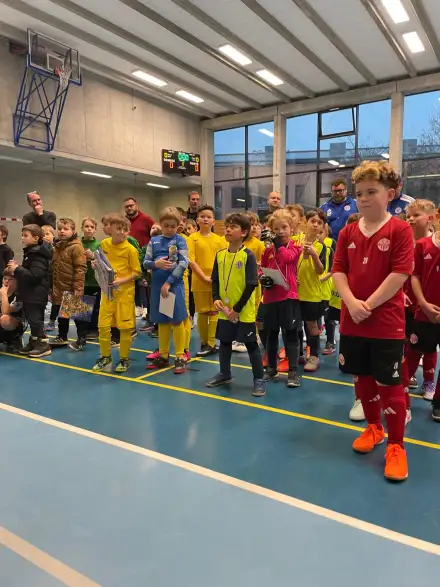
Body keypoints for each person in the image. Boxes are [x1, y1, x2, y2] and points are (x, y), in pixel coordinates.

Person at [332, 160, 413, 482]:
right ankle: (374, 428)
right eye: (359, 193)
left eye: (371, 192)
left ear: (390, 194)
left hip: (386, 322)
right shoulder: (348, 232)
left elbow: (400, 273)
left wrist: (368, 304)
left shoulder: (400, 230)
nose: (363, 199)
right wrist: (352, 303)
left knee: (390, 384)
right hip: (353, 319)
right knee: (362, 378)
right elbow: (338, 271)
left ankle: (396, 445)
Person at [207, 213, 265, 396]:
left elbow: (251, 284)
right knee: (224, 342)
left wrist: (237, 309)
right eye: (227, 226)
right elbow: (215, 280)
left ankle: (259, 379)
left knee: (251, 345)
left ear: (244, 232)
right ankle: (225, 373)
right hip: (225, 310)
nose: (228, 229)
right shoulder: (220, 255)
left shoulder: (248, 256)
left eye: (233, 227)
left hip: (242, 311)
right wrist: (215, 297)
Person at [402, 201, 440, 422]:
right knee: (411, 349)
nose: (411, 219)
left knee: (429, 351)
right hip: (417, 310)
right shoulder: (418, 245)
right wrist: (423, 304)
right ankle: (402, 399)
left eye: (416, 215)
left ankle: (432, 389)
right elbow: (411, 276)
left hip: (427, 309)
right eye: (409, 215)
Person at [93, 214, 141, 373]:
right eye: (119, 229)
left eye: (125, 230)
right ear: (111, 229)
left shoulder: (131, 250)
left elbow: (136, 272)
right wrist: (95, 265)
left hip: (124, 295)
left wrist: (121, 281)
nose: (122, 232)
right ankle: (105, 357)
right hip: (107, 294)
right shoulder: (104, 244)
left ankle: (124, 359)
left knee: (125, 328)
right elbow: (101, 262)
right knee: (103, 326)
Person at [144, 207, 189, 374]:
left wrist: (169, 283)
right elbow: (146, 262)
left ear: (178, 226)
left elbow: (183, 263)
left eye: (173, 226)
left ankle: (180, 356)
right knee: (162, 321)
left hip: (173, 286)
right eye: (166, 226)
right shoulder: (154, 241)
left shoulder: (180, 240)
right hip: (157, 286)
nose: (169, 229)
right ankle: (163, 355)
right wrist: (156, 264)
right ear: (160, 224)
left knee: (176, 321)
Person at [260, 209, 302, 387]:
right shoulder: (267, 251)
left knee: (290, 334)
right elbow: (262, 268)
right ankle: (271, 368)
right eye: (276, 229)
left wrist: (278, 244)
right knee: (271, 334)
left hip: (288, 296)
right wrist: (263, 277)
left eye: (284, 227)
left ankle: (293, 370)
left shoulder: (295, 246)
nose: (281, 232)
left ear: (291, 228)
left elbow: (286, 258)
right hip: (270, 298)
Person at [8, 224, 52, 358]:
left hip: (37, 293)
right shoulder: (31, 252)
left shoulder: (37, 254)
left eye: (25, 235)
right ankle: (34, 341)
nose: (22, 238)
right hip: (31, 293)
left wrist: (17, 269)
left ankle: (43, 344)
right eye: (22, 235)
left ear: (36, 238)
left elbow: (35, 276)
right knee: (32, 319)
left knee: (36, 319)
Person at [188, 205, 225, 356]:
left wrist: (216, 278)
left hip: (216, 281)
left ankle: (211, 343)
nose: (205, 219)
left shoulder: (220, 240)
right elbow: (191, 260)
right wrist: (203, 277)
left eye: (209, 217)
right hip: (199, 281)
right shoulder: (192, 238)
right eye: (202, 216)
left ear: (213, 221)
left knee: (215, 310)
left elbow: (223, 259)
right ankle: (204, 342)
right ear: (197, 220)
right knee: (202, 312)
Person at [295, 209, 327, 372]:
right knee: (295, 324)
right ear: (305, 222)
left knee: (312, 324)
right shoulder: (294, 241)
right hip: (293, 292)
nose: (315, 225)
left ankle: (314, 355)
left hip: (311, 293)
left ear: (322, 227)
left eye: (319, 223)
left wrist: (314, 255)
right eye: (312, 221)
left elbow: (320, 271)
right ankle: (298, 353)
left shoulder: (321, 247)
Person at [49, 219, 87, 348]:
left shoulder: (76, 247)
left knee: (77, 314)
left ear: (73, 231)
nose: (62, 231)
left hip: (72, 286)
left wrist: (78, 288)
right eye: (60, 229)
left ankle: (81, 338)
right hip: (59, 286)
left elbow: (80, 269)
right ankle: (62, 336)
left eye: (66, 229)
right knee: (61, 314)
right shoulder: (57, 247)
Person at [68, 217, 102, 350]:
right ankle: (80, 335)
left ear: (95, 230)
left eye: (92, 227)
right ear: (82, 228)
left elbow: (104, 262)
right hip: (78, 281)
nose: (89, 229)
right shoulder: (76, 243)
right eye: (86, 226)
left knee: (94, 310)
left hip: (94, 282)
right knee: (77, 309)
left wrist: (94, 257)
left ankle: (93, 330)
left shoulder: (99, 244)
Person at [0, 268, 24, 352]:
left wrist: (4, 294)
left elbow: (6, 311)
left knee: (4, 319)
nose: (6, 281)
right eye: (5, 278)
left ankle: (15, 339)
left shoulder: (20, 295)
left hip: (15, 324)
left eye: (11, 279)